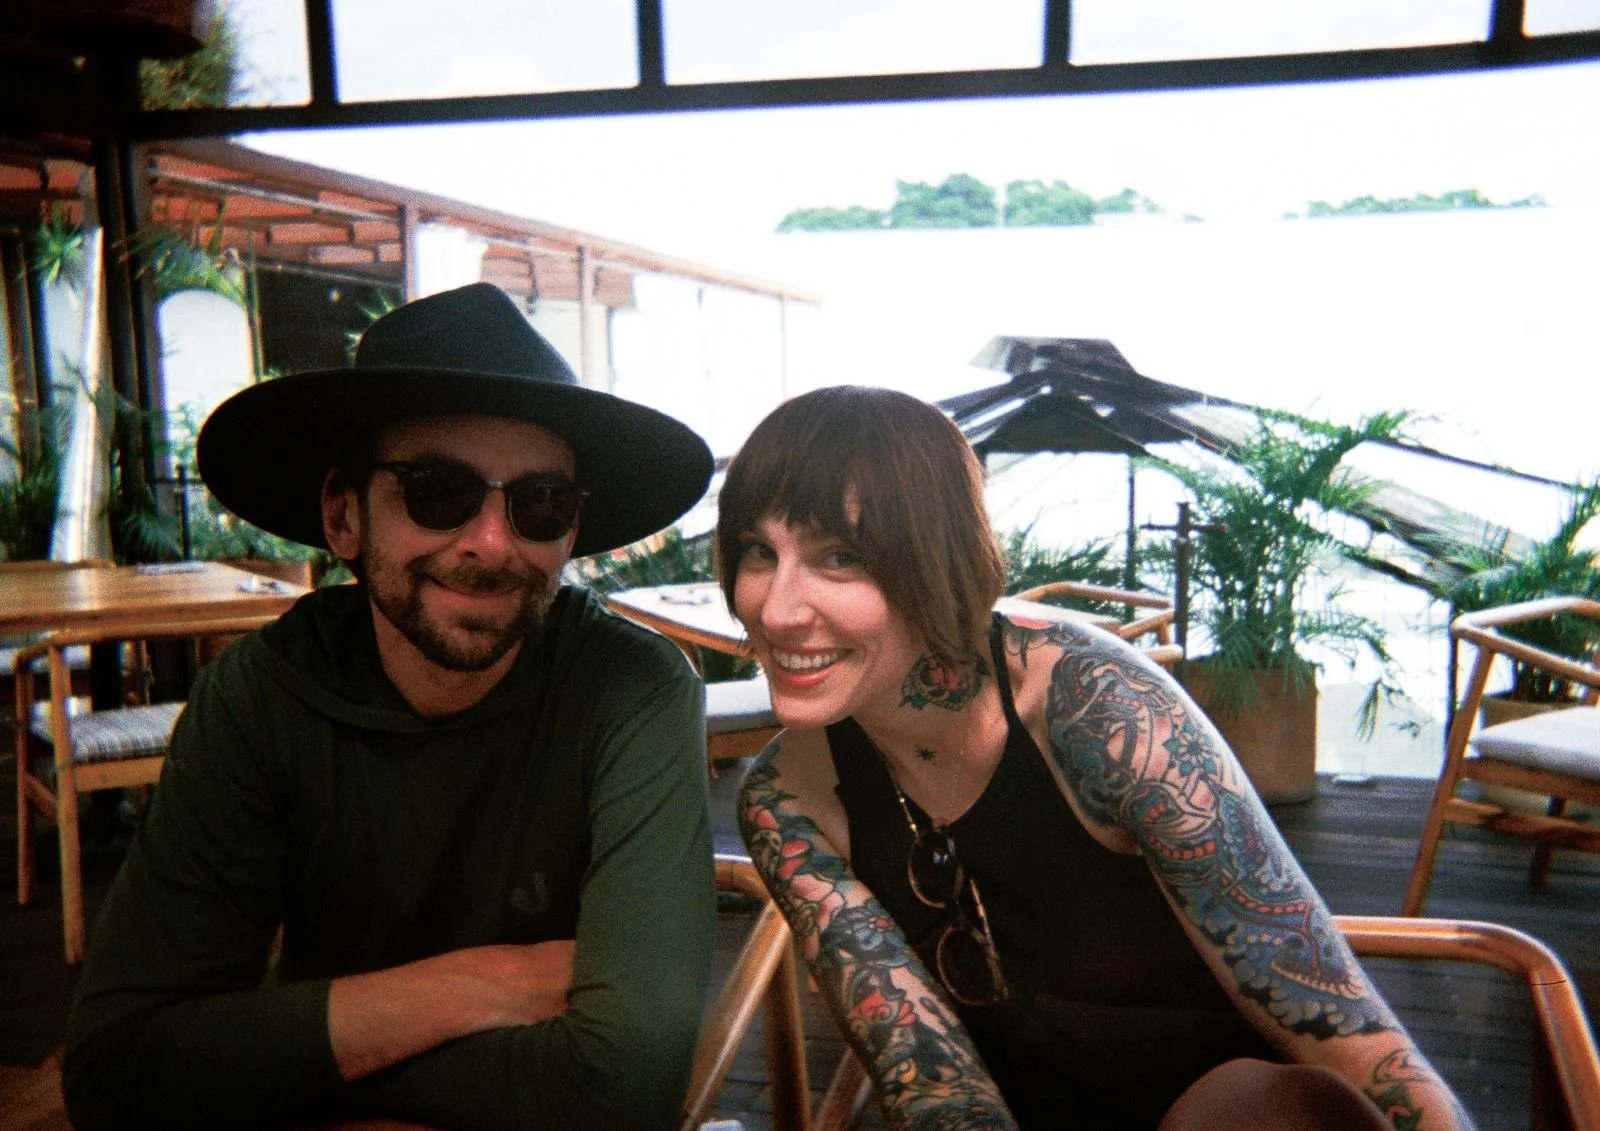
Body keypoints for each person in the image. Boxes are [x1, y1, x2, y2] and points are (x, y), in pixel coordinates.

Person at [720, 386, 1472, 1130]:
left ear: (935, 558)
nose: (775, 609)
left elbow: (1349, 1039)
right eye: (759, 551)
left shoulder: (1098, 708)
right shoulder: (788, 801)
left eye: (840, 557)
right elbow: (934, 1085)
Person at [63, 283, 718, 1130]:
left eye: (540, 502)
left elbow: (622, 1088)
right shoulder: (262, 696)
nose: (492, 541)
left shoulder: (633, 688)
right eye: (438, 489)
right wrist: (472, 987)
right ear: (345, 515)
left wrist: (282, 1060)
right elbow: (118, 1070)